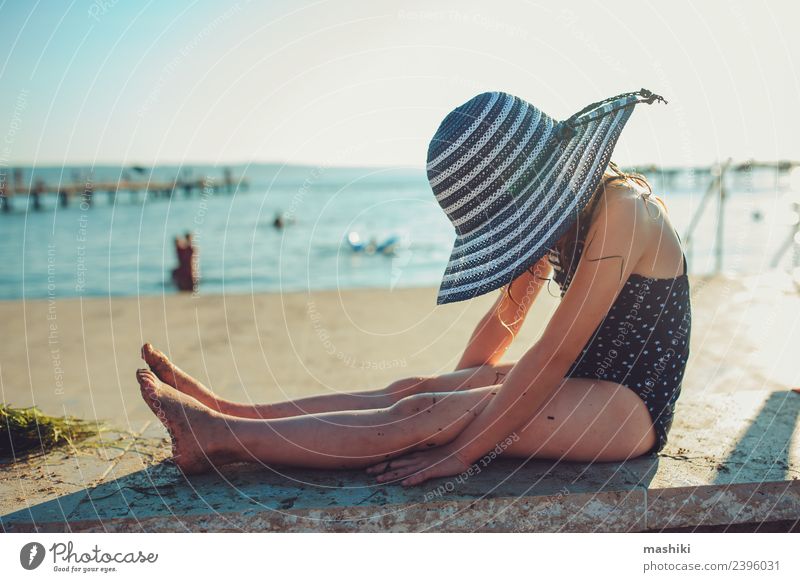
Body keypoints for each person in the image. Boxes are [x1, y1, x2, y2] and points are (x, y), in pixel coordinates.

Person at [137, 89, 691, 486]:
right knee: (413, 389)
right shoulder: (559, 215)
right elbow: (506, 320)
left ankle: (221, 439)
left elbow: (552, 354)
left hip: (629, 411)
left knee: (425, 414)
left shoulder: (622, 211)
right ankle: (229, 412)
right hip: (584, 387)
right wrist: (448, 384)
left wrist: (460, 453)